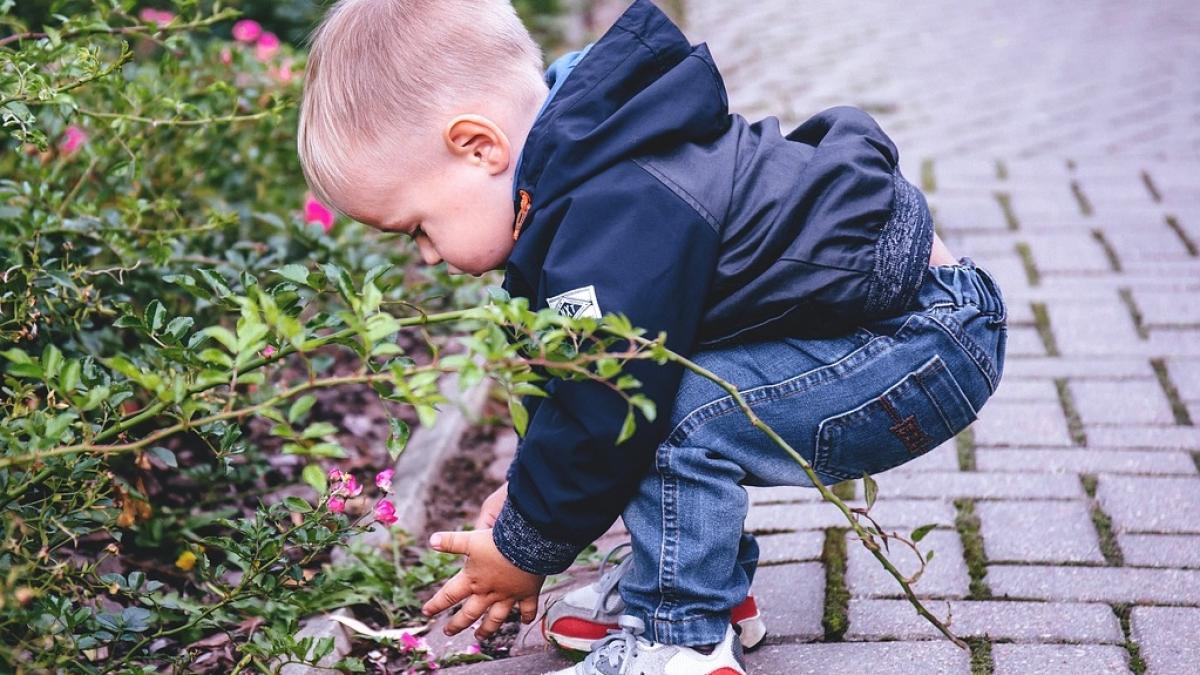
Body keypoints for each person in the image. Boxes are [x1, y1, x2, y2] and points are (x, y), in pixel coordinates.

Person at [296, 1, 1007, 672]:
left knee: (655, 412)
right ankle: (697, 587)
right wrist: (525, 497)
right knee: (649, 393)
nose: (424, 254)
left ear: (479, 146)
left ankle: (680, 637)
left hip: (920, 347)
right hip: (888, 332)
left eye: (418, 227)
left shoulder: (612, 204)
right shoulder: (583, 170)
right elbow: (579, 378)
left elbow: (609, 402)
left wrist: (523, 546)